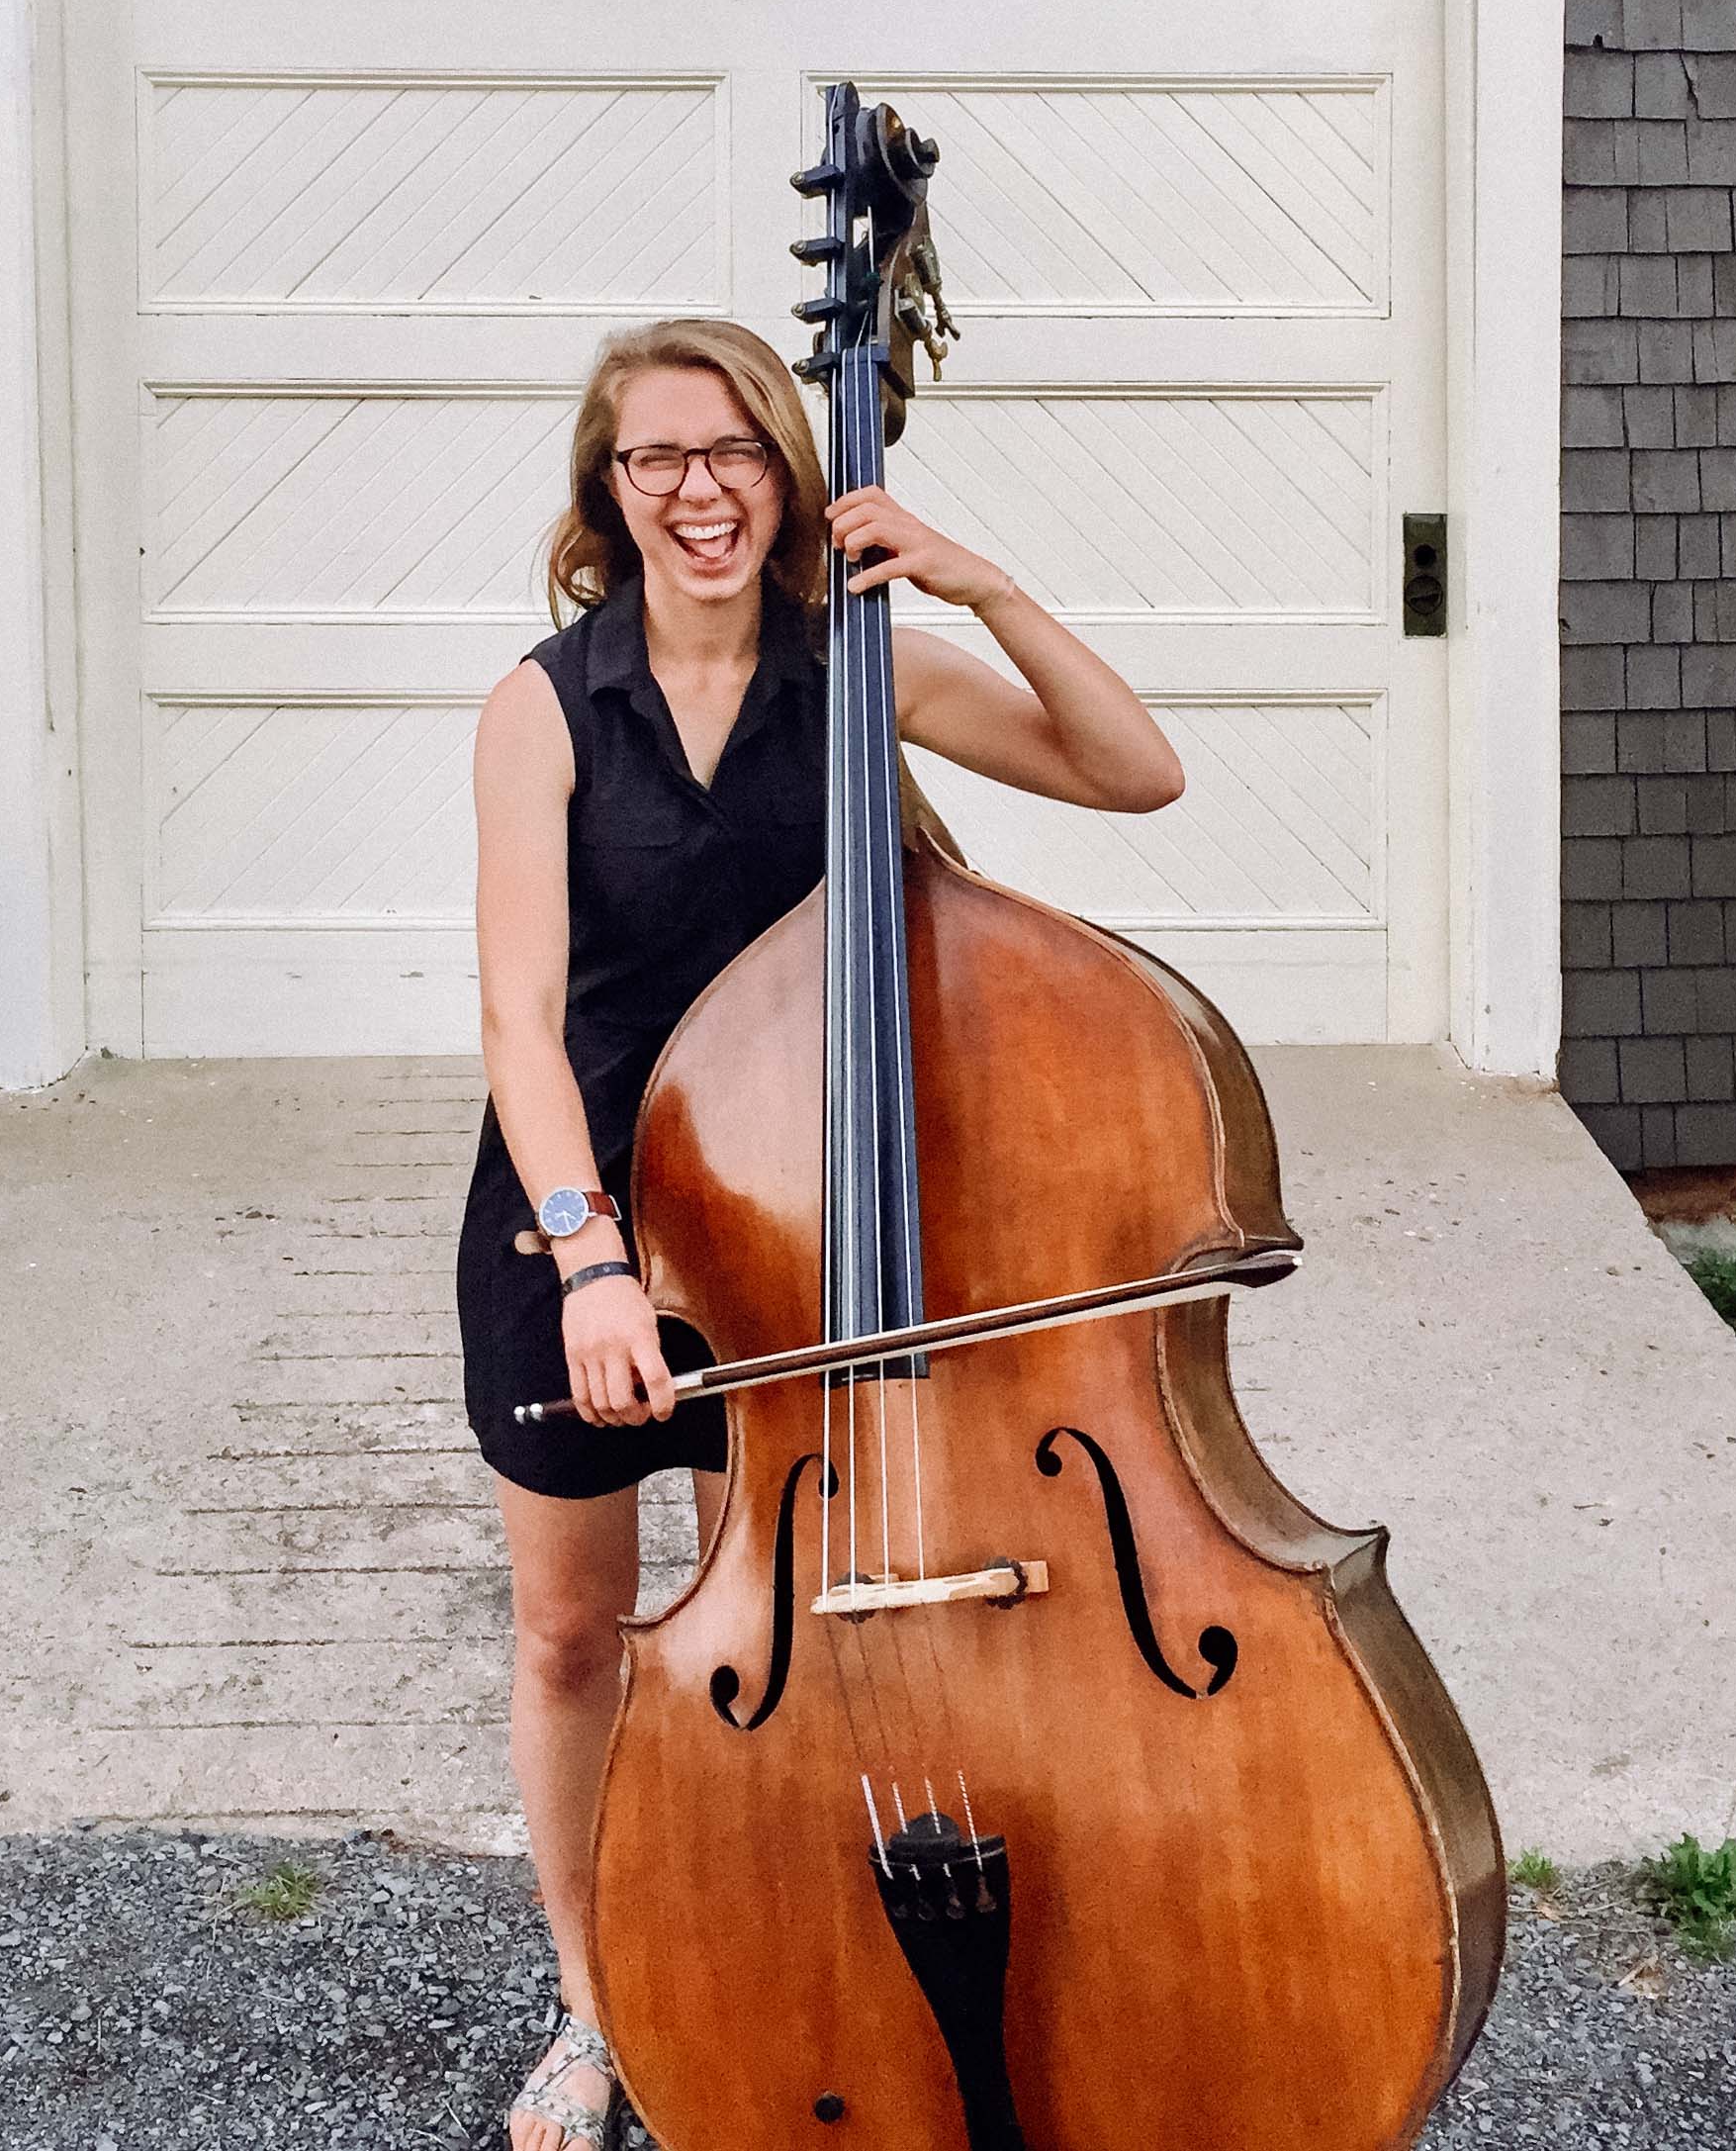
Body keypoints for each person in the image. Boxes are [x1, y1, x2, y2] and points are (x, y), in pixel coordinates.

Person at [459, 316, 1184, 2151]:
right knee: (574, 1638)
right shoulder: (545, 705)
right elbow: (518, 1025)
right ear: (605, 490)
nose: (696, 490)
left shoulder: (861, 668)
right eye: (656, 459)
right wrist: (593, 1259)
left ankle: (786, 1951)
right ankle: (599, 2005)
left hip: (806, 1224)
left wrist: (982, 582)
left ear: (785, 473)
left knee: (806, 1624)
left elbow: (1136, 769)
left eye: (734, 454)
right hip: (588, 1215)